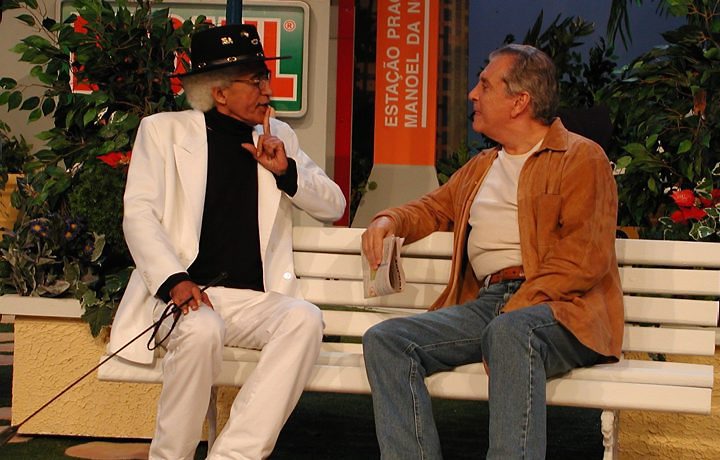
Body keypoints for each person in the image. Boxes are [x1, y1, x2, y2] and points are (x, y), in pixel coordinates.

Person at [361, 44, 624, 459]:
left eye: (485, 85)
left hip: (565, 309)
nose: (472, 94)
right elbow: (432, 208)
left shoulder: (580, 157)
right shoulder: (482, 165)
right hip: (490, 305)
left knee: (509, 332)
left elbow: (584, 257)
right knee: (387, 341)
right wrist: (388, 221)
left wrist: (518, 306)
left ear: (520, 101)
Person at [107, 24, 345, 459]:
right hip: (185, 295)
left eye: (265, 78)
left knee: (304, 318)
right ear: (219, 93)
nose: (267, 90)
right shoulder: (163, 132)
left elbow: (334, 205)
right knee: (201, 330)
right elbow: (139, 215)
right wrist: (175, 280)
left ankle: (233, 455)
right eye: (255, 81)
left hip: (253, 302)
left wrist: (286, 172)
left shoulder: (277, 137)